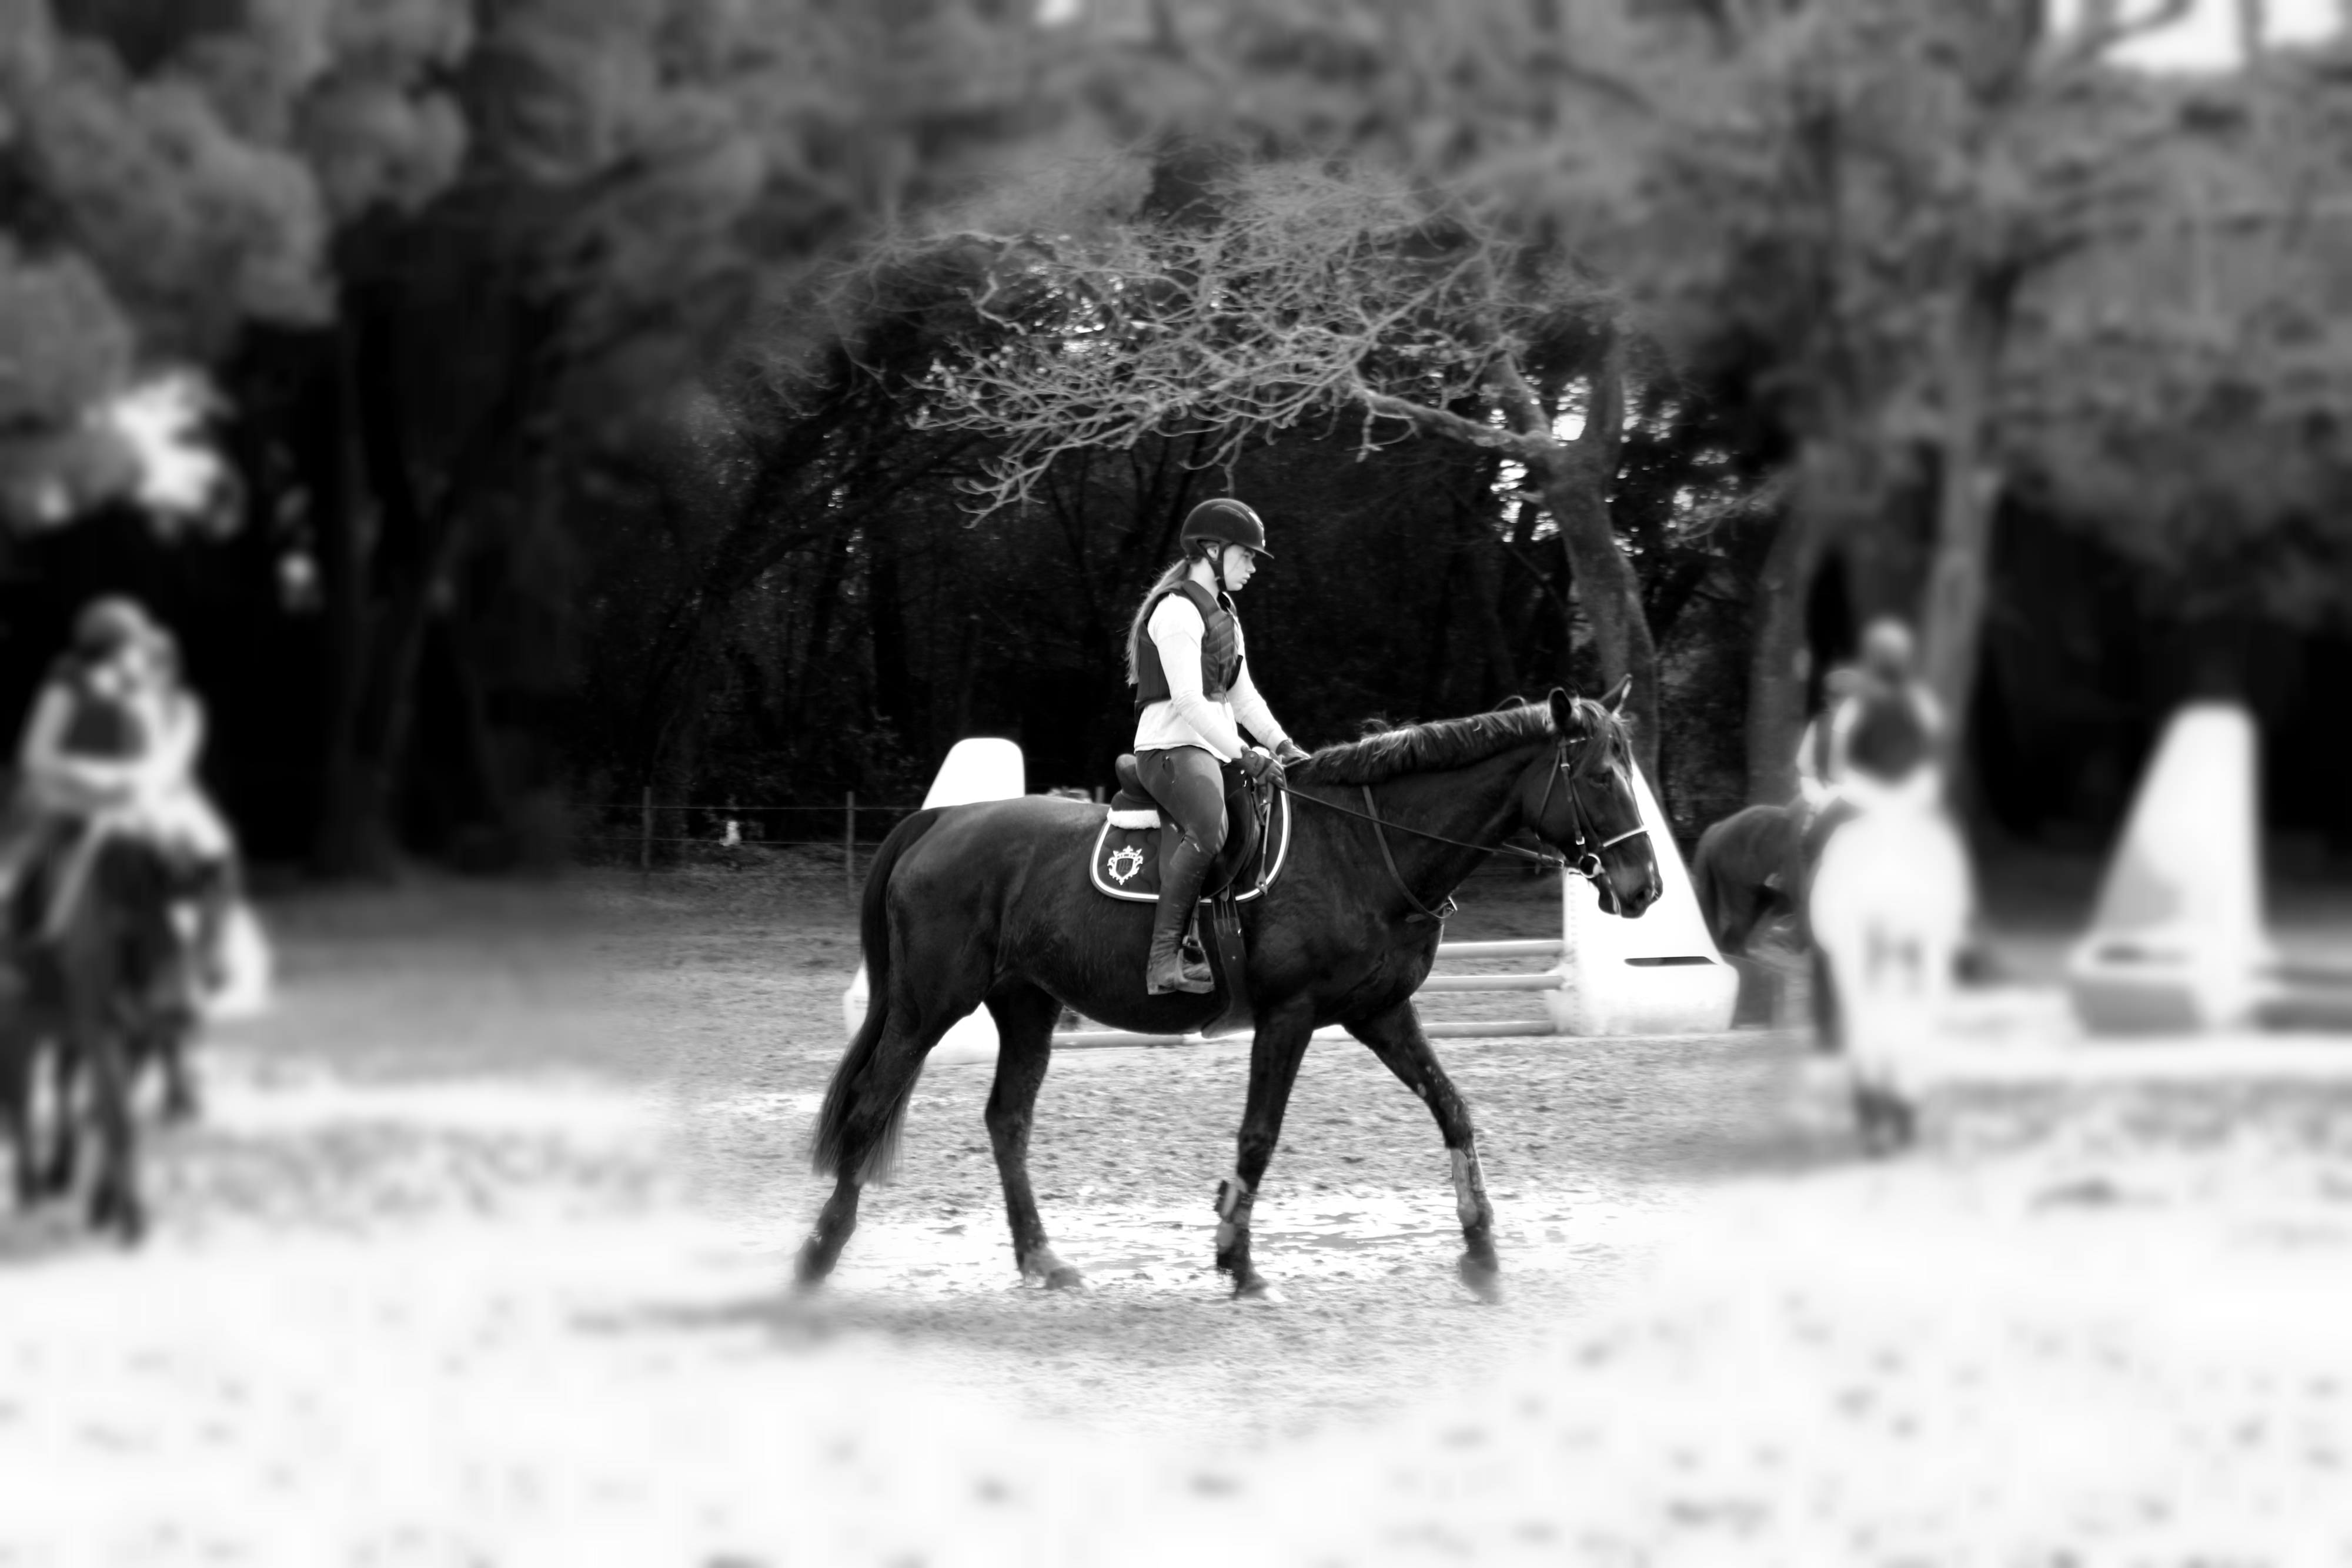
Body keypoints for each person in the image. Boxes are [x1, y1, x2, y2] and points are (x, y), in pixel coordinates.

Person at [1127, 498, 1309, 995]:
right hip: (1169, 749)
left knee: (1264, 809)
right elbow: (1188, 701)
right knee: (1209, 825)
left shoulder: (1225, 614)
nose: (1252, 566)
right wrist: (1244, 754)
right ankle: (1164, 958)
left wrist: (1283, 745)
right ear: (1211, 549)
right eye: (1245, 555)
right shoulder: (1176, 613)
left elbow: (1242, 696)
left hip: (1210, 748)